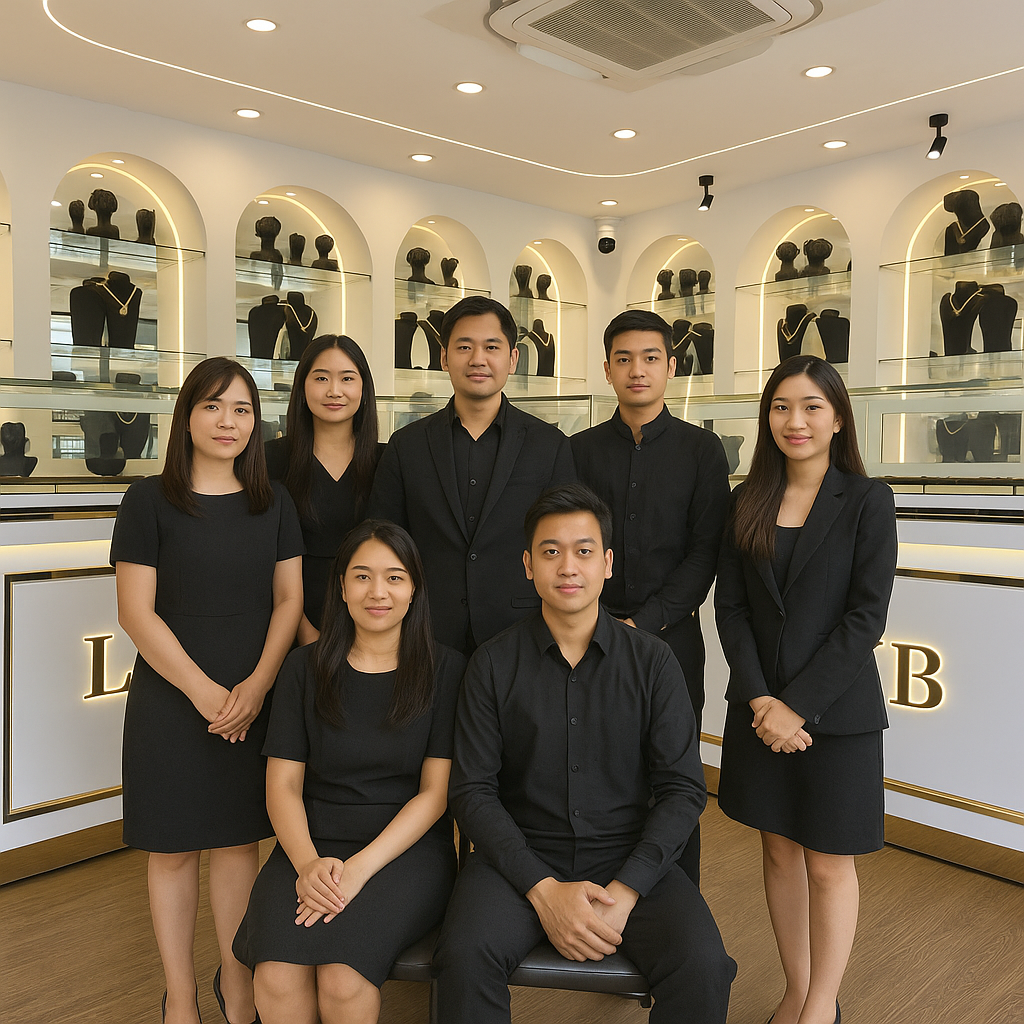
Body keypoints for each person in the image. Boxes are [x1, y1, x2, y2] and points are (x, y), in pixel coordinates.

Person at [435, 484, 736, 1024]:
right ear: (528, 565)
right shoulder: (492, 663)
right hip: (520, 858)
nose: (568, 567)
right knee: (463, 957)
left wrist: (626, 890)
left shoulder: (654, 662)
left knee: (704, 966)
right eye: (550, 552)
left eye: (584, 550)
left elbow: (683, 789)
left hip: (629, 854)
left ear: (608, 563)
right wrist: (544, 890)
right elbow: (472, 791)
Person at [111, 357, 305, 1024]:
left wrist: (256, 687)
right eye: (213, 407)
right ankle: (181, 996)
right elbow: (136, 612)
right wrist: (203, 692)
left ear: (257, 422)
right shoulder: (147, 501)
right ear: (187, 417)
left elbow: (289, 602)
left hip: (252, 698)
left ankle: (236, 981)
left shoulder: (273, 500)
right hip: (171, 699)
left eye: (242, 409)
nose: (228, 421)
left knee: (236, 847)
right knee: (171, 852)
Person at [714, 355, 897, 1024]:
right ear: (768, 417)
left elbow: (865, 617)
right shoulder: (747, 500)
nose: (796, 420)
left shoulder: (868, 500)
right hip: (761, 713)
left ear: (838, 416)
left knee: (827, 865)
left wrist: (797, 705)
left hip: (835, 717)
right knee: (779, 852)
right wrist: (762, 700)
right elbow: (729, 609)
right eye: (783, 406)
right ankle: (796, 985)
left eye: (812, 407)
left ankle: (822, 1004)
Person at [233, 520, 465, 1024]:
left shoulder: (446, 670)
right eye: (361, 576)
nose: (377, 591)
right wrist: (308, 864)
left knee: (342, 979)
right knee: (274, 976)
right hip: (308, 844)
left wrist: (356, 870)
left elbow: (434, 795)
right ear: (340, 588)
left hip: (403, 851)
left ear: (414, 590)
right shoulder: (303, 668)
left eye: (394, 577)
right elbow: (284, 787)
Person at [571, 309, 731, 882]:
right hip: (587, 639)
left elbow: (705, 552)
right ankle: (597, 888)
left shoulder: (702, 451)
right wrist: (603, 625)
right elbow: (572, 546)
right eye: (624, 359)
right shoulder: (578, 451)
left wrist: (647, 623)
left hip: (673, 642)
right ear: (608, 369)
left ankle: (675, 894)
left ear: (670, 366)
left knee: (675, 777)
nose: (637, 370)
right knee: (594, 767)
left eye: (651, 358)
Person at [369, 295, 575, 654]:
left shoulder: (550, 445)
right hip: (426, 634)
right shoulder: (406, 445)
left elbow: (564, 544)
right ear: (444, 357)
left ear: (512, 359)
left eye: (491, 347)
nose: (478, 359)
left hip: (523, 634)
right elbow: (384, 542)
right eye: (464, 346)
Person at [265, 334, 381, 643]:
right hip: (286, 625)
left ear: (364, 390)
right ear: (302, 388)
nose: (334, 391)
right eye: (321, 378)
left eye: (347, 378)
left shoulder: (389, 459)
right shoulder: (269, 460)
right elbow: (258, 557)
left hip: (375, 621)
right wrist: (304, 634)